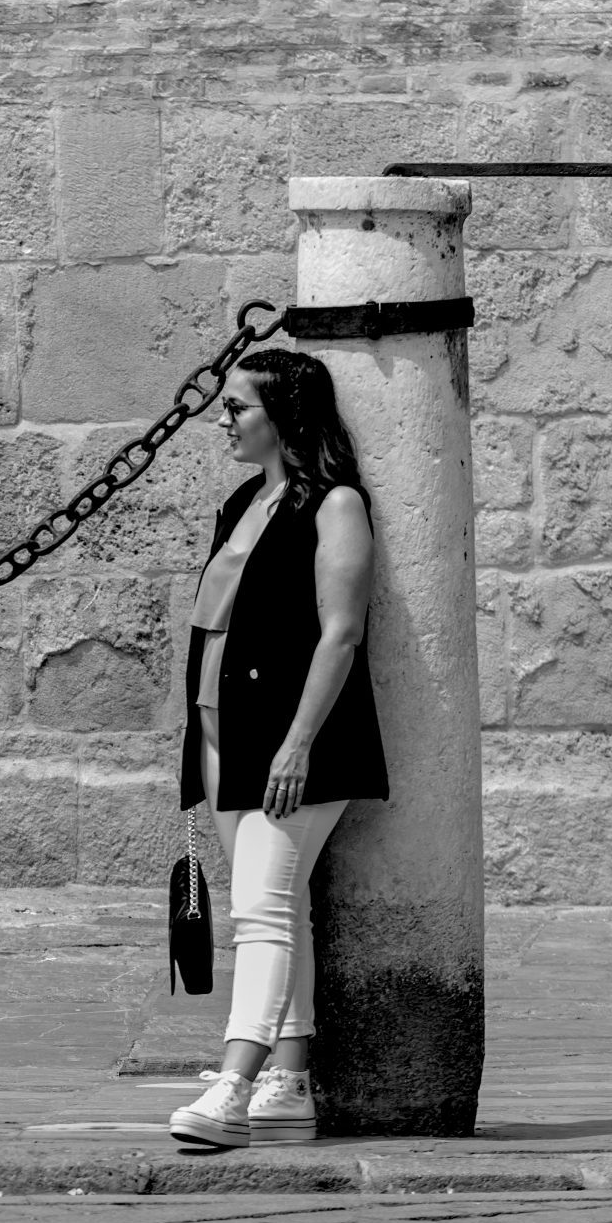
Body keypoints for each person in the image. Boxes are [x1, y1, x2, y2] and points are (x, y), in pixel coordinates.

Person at [166, 348, 388, 1150]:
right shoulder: (241, 502)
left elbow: (342, 633)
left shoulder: (335, 506)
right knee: (275, 906)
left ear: (285, 418)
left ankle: (233, 1085)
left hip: (291, 744)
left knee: (260, 911)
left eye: (237, 407)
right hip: (226, 737)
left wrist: (298, 743)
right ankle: (290, 1082)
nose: (222, 419)